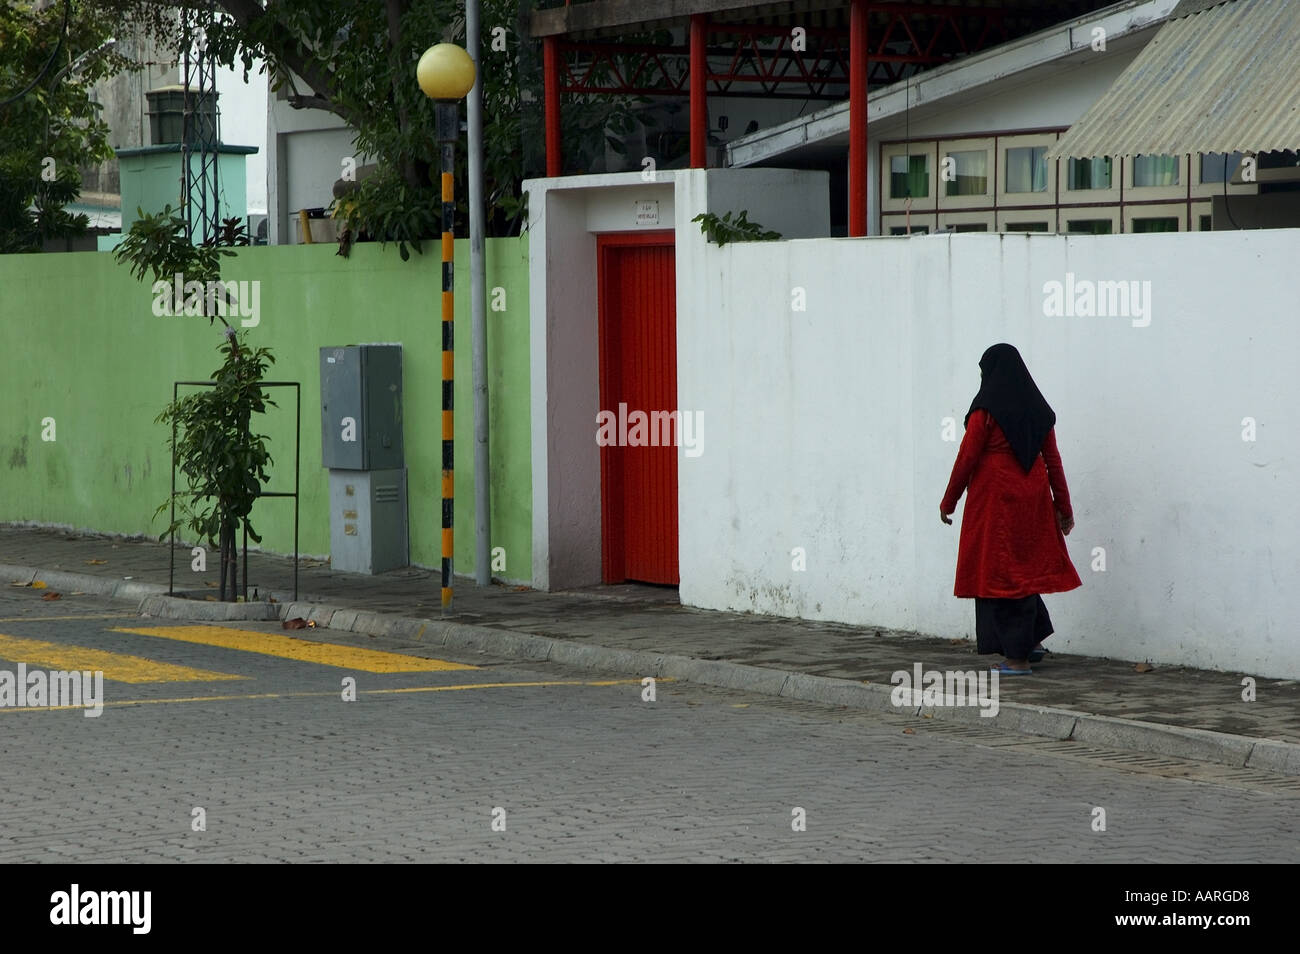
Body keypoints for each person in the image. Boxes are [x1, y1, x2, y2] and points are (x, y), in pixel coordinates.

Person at [940, 343, 1081, 673]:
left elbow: (967, 458)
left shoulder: (985, 410)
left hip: (995, 502)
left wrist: (949, 500)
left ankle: (1016, 660)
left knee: (1002, 577)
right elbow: (1053, 462)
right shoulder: (1038, 411)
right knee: (1025, 573)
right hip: (1033, 501)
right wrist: (1064, 507)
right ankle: (1032, 643)